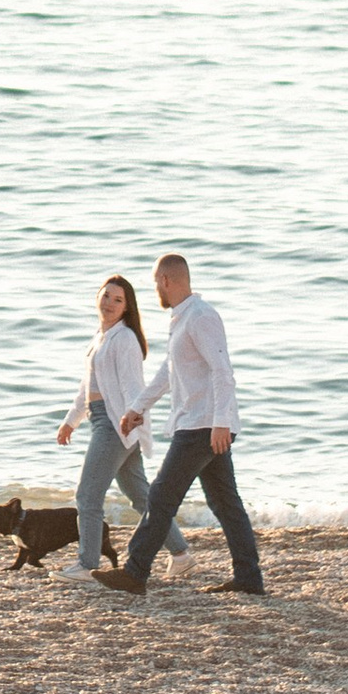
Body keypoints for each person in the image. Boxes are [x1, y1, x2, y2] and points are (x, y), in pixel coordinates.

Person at [101, 251, 264, 597]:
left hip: (204, 425)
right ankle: (249, 578)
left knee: (161, 496)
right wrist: (137, 407)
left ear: (165, 281)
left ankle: (134, 572)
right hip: (200, 422)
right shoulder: (182, 319)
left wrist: (221, 422)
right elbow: (168, 373)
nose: (155, 290)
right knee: (225, 503)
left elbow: (222, 370)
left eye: (155, 283)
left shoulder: (201, 317)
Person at [55, 274, 189, 577]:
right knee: (141, 497)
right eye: (106, 296)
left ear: (127, 307)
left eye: (118, 300)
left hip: (115, 424)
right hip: (101, 418)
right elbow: (86, 387)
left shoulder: (125, 338)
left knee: (87, 495)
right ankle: (181, 554)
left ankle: (87, 565)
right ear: (97, 297)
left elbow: (132, 386)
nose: (109, 303)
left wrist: (132, 417)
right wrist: (70, 422)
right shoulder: (101, 337)